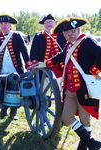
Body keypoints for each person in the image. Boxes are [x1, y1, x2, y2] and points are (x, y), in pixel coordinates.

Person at [36, 17, 101, 150]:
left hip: (84, 88)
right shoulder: (69, 44)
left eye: (72, 31)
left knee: (85, 119)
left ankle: (83, 145)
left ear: (78, 29)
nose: (69, 35)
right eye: (66, 33)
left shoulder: (87, 41)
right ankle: (91, 142)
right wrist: (45, 63)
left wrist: (94, 70)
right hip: (70, 88)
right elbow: (61, 55)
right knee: (66, 117)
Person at [0, 14, 32, 120]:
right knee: (2, 89)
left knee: (15, 89)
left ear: (10, 25)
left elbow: (24, 52)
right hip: (1, 70)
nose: (3, 26)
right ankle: (3, 110)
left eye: (6, 23)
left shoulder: (17, 36)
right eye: (1, 24)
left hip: (16, 69)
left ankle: (14, 112)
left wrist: (28, 64)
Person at [30, 14, 66, 80]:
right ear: (43, 25)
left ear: (55, 23)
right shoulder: (38, 36)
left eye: (51, 22)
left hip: (60, 68)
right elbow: (33, 52)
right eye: (46, 22)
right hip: (44, 68)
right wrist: (34, 63)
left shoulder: (62, 35)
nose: (48, 24)